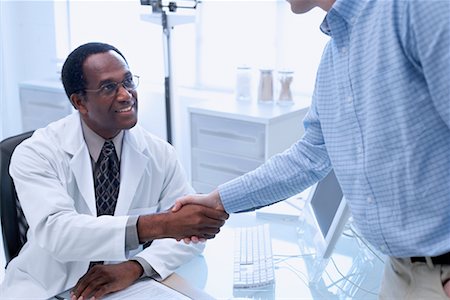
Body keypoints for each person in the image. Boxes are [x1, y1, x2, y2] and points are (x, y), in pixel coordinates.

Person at [174, 0, 450, 298]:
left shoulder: (415, 8)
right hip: (399, 269)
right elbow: (310, 156)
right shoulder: (334, 57)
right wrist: (218, 200)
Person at [0, 42, 228, 299]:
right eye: (109, 87)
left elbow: (187, 237)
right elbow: (58, 233)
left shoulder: (158, 153)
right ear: (79, 102)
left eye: (128, 81)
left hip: (125, 286)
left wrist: (135, 267)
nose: (126, 95)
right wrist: (157, 225)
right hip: (48, 287)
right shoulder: (37, 153)